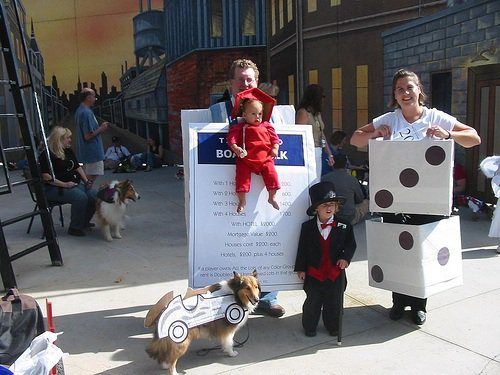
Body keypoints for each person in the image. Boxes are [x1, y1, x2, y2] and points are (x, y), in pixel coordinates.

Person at [350, 68, 481, 325]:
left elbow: (474, 138)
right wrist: (376, 134)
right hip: (395, 200)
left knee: (422, 250)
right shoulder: (390, 118)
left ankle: (419, 304)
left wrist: (448, 134)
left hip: (428, 199)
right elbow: (356, 139)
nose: (406, 93)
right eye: (400, 89)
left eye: (410, 87)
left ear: (419, 89)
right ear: (395, 95)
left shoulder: (435, 117)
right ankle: (398, 302)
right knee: (397, 250)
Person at [211, 58, 286, 317]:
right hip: (229, 185)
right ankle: (229, 297)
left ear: (257, 81)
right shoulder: (216, 111)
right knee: (231, 241)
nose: (246, 83)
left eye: (250, 79)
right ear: (231, 83)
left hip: (264, 182)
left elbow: (281, 142)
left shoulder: (271, 111)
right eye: (241, 79)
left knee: (265, 237)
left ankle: (268, 297)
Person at [294, 181, 356, 337]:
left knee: (334, 303)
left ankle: (333, 326)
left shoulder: (344, 226)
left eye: (332, 205)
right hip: (314, 273)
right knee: (312, 303)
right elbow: (302, 248)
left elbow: (350, 245)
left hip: (335, 274)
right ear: (316, 208)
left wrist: (345, 258)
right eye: (324, 205)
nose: (329, 208)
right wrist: (301, 268)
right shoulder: (307, 227)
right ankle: (310, 326)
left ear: (336, 207)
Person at [227, 90, 280, 213]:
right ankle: (242, 200)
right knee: (241, 178)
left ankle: (272, 197)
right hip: (246, 159)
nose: (258, 117)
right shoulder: (240, 127)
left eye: (260, 114)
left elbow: (275, 139)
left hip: (265, 158)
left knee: (272, 174)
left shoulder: (267, 126)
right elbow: (231, 138)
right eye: (253, 113)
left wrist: (275, 148)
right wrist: (236, 148)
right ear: (244, 115)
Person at [39, 126, 97, 237]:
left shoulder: (68, 151)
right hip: (54, 187)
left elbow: (77, 167)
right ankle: (75, 227)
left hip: (73, 184)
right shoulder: (47, 155)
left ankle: (84, 222)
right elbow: (46, 176)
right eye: (67, 138)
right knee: (80, 197)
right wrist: (64, 184)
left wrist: (86, 181)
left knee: (94, 195)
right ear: (59, 139)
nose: (70, 140)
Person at [295, 84, 334, 179]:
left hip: (318, 150)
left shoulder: (317, 114)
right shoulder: (303, 113)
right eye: (321, 97)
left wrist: (329, 153)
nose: (323, 100)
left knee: (317, 180)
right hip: (309, 152)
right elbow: (299, 136)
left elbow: (322, 135)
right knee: (311, 179)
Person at [322, 154, 369, 225]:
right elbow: (360, 199)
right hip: (349, 219)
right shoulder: (352, 179)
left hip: (330, 217)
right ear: (346, 165)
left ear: (333, 163)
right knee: (367, 202)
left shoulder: (324, 178)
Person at [74, 88, 109, 184]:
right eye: (94, 97)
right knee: (89, 179)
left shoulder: (79, 111)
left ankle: (84, 193)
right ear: (88, 97)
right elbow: (87, 136)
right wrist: (101, 128)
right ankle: (82, 194)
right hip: (92, 152)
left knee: (88, 177)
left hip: (85, 152)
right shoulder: (86, 113)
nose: (95, 99)